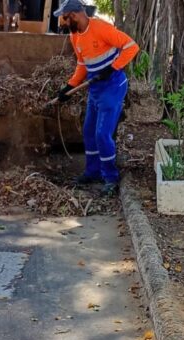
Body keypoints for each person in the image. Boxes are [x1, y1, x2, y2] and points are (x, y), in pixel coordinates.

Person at [53, 0, 138, 197]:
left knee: (102, 134)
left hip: (112, 86)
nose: (63, 23)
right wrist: (69, 87)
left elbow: (132, 47)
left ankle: (110, 177)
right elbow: (82, 64)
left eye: (64, 18)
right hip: (95, 87)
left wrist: (113, 67)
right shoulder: (75, 36)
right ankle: (93, 172)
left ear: (73, 15)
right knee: (89, 131)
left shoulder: (101, 28)